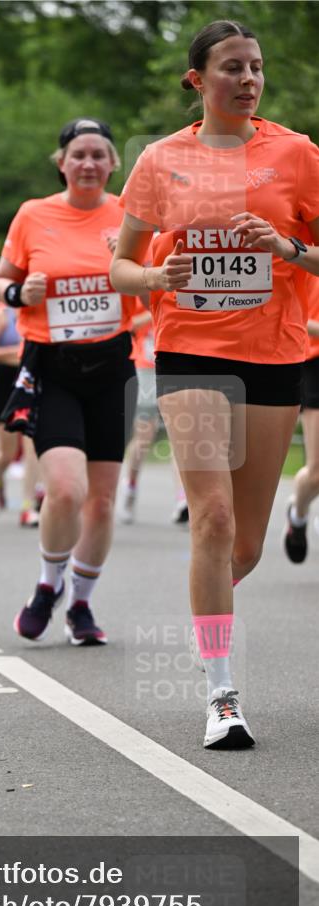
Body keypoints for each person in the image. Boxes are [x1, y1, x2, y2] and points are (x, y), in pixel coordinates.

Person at [110, 19, 319, 748]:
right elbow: (121, 267)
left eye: (255, 66)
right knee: (215, 519)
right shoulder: (161, 159)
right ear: (198, 80)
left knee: (246, 548)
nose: (248, 79)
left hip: (274, 353)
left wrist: (287, 246)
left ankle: (207, 613)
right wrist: (154, 277)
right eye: (232, 67)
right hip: (190, 352)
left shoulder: (296, 154)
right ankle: (221, 695)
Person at [0, 117, 137, 646]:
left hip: (112, 368)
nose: (89, 163)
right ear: (61, 163)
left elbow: (153, 285)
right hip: (53, 368)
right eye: (79, 154)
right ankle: (48, 584)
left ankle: (81, 604)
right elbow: (0, 280)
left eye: (99, 154)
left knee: (102, 500)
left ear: (113, 163)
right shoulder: (34, 214)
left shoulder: (130, 215)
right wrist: (18, 295)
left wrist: (137, 275)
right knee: (67, 489)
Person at [118, 300, 189, 525]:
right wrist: (156, 310)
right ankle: (130, 486)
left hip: (177, 365)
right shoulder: (142, 283)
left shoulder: (182, 282)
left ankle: (183, 499)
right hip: (146, 366)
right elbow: (127, 324)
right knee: (144, 436)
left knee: (181, 437)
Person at [0, 303, 40, 525]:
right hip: (5, 383)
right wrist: (19, 352)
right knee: (8, 452)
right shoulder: (2, 313)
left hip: (33, 380)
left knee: (33, 443)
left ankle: (28, 505)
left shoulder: (43, 308)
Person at [285, 275, 319, 562]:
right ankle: (298, 515)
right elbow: (290, 312)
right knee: (317, 471)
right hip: (315, 362)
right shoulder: (308, 256)